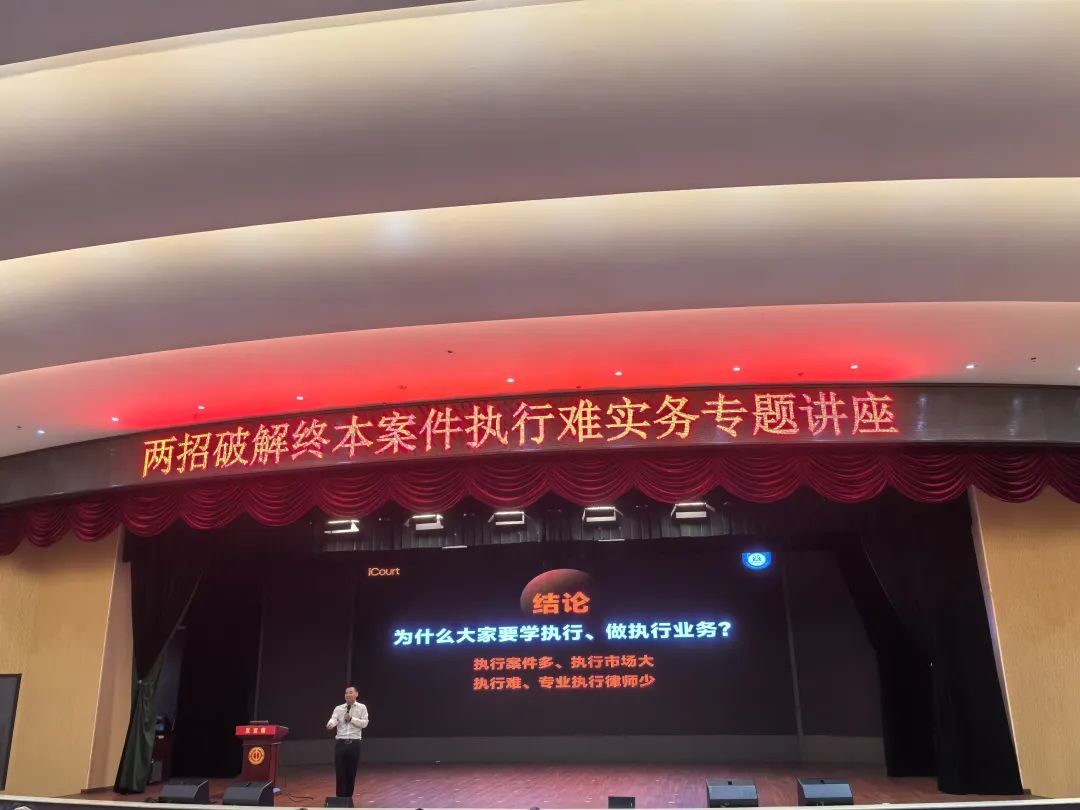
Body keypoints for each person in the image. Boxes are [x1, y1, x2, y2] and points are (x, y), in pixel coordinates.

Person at [326, 685, 369, 798]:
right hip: (340, 743)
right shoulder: (339, 708)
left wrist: (351, 719)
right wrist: (330, 724)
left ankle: (348, 798)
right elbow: (334, 719)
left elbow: (364, 723)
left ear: (356, 694)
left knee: (351, 772)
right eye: (346, 693)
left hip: (354, 743)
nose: (348, 695)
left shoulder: (362, 708)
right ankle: (340, 799)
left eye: (350, 692)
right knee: (340, 772)